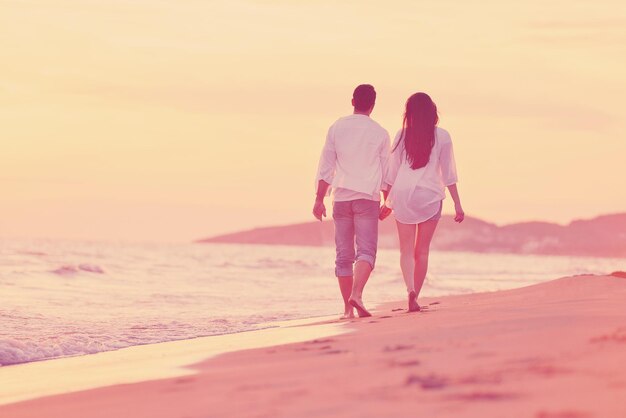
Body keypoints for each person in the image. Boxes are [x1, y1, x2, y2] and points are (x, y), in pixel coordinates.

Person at [380, 92, 464, 312]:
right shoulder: (443, 136)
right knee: (422, 251)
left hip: (404, 194)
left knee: (405, 250)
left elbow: (391, 174)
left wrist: (387, 203)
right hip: (430, 195)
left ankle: (409, 289)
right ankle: (415, 295)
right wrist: (457, 204)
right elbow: (449, 174)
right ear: (432, 112)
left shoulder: (401, 135)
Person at [313, 84, 391, 318]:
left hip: (341, 198)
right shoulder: (380, 132)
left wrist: (319, 199)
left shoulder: (337, 127)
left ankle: (348, 310)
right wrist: (388, 200)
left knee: (343, 255)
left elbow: (325, 166)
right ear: (373, 105)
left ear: (352, 101)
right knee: (366, 252)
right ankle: (356, 294)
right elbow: (386, 170)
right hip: (367, 197)